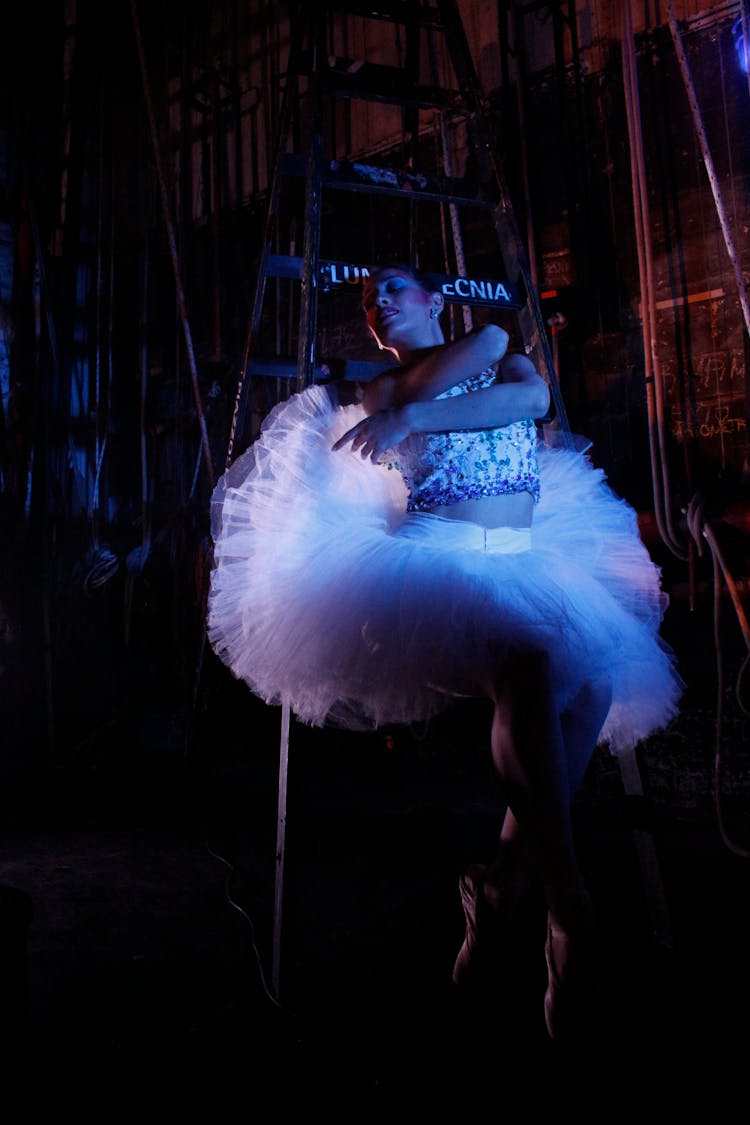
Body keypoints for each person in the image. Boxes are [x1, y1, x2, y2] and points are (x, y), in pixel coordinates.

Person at [207, 263, 683, 1040]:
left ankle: (499, 888)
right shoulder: (382, 392)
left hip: (527, 557)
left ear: (435, 300)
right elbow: (440, 381)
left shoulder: (502, 360)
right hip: (440, 567)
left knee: (592, 686)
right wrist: (401, 419)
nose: (378, 302)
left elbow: (522, 388)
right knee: (527, 667)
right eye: (367, 299)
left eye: (394, 287)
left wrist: (414, 423)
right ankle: (567, 908)